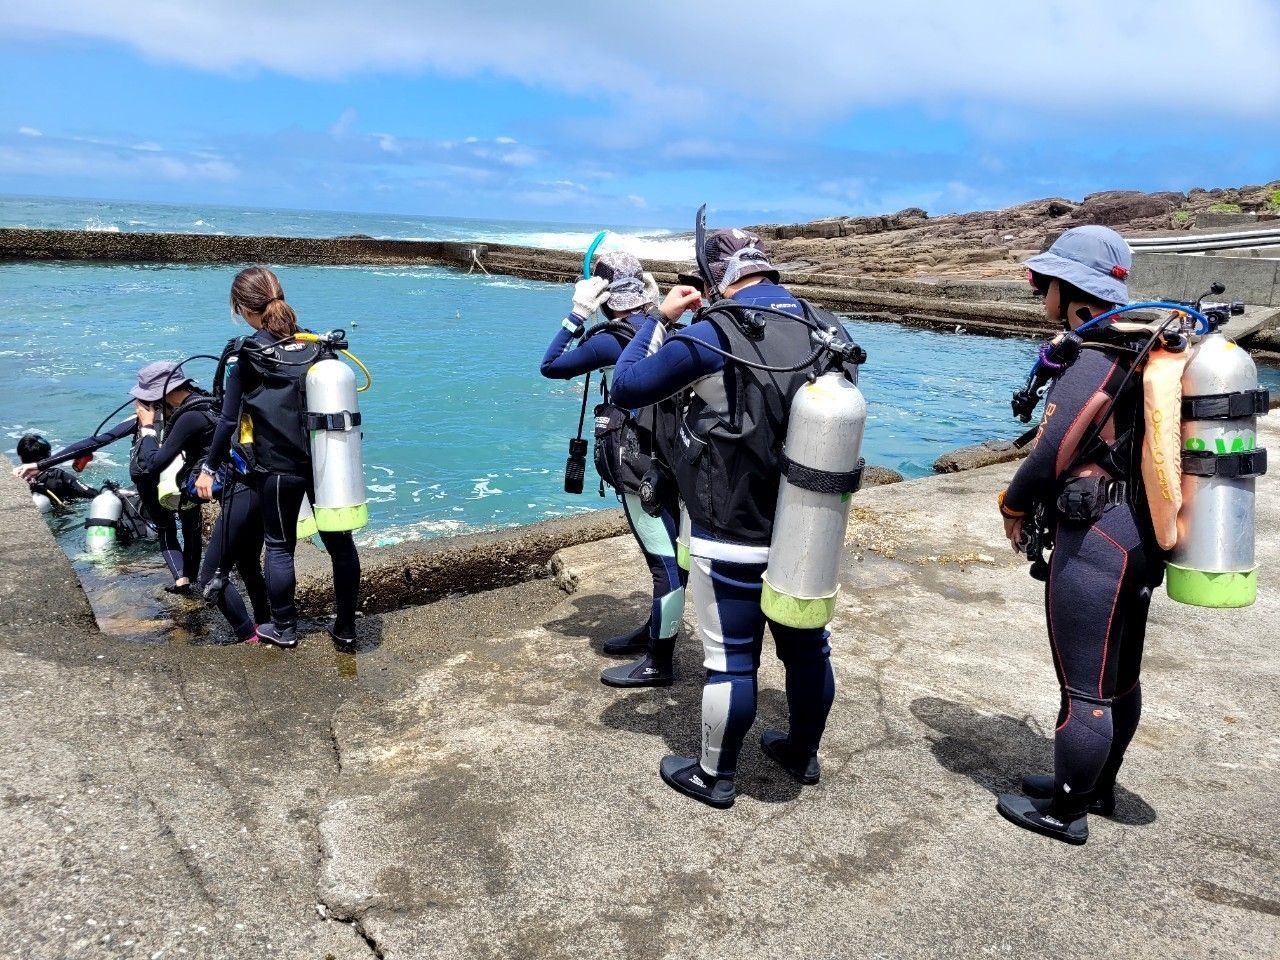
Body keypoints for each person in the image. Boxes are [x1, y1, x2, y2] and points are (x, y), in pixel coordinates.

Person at [609, 227, 840, 808]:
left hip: (730, 523)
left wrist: (659, 318)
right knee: (808, 649)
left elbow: (629, 384)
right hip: (808, 524)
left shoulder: (716, 332)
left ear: (716, 277)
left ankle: (715, 776)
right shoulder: (824, 324)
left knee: (732, 658)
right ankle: (801, 753)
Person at [995, 225, 1159, 845]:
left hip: (1097, 540)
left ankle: (1066, 811)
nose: (1042, 297)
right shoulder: (1142, 350)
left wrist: (1012, 502)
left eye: (1046, 285)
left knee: (1085, 683)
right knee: (1119, 674)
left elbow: (1051, 453)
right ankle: (1097, 786)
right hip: (1138, 534)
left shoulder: (1094, 355)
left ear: (1072, 291)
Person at [541, 251, 688, 688]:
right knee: (669, 557)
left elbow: (550, 365)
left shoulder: (612, 340)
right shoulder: (664, 329)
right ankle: (653, 632)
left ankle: (660, 662)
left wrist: (576, 314)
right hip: (672, 461)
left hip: (639, 468)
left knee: (665, 565)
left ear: (606, 297)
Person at [198, 266, 361, 651]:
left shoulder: (249, 355)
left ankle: (283, 628)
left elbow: (226, 420)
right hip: (328, 462)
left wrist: (208, 466)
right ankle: (346, 628)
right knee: (340, 545)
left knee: (279, 546)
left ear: (240, 307)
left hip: (278, 470)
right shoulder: (318, 345)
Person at [12, 365, 204, 592]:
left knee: (166, 530)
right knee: (192, 528)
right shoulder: (192, 414)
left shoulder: (140, 421)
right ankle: (192, 580)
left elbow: (97, 441)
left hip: (149, 483)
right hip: (181, 482)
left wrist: (40, 465)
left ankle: (181, 580)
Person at [132, 361, 269, 644]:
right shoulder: (212, 403)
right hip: (256, 490)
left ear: (164, 393)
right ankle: (267, 626)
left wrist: (147, 428)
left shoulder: (190, 417)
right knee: (247, 565)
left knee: (210, 579)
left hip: (237, 495)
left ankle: (248, 636)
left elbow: (151, 465)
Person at [15, 433, 99, 506]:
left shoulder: (18, 476)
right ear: (49, 455)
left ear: (21, 457)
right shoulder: (58, 476)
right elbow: (93, 495)